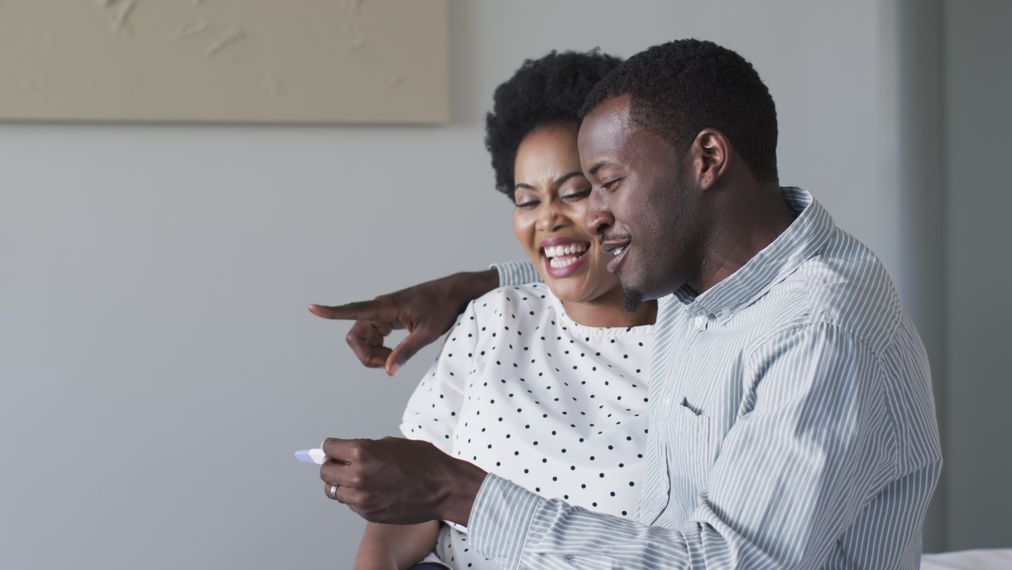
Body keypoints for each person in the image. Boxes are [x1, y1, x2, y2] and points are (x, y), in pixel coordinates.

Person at [314, 39, 942, 569]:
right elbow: (577, 276)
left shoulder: (819, 333)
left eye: (607, 183)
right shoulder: (706, 291)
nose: (593, 214)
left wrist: (458, 492)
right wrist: (471, 284)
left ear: (707, 159)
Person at [313, 51, 658, 569]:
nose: (548, 221)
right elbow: (407, 516)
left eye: (574, 193)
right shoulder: (494, 320)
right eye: (527, 200)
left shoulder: (698, 348)